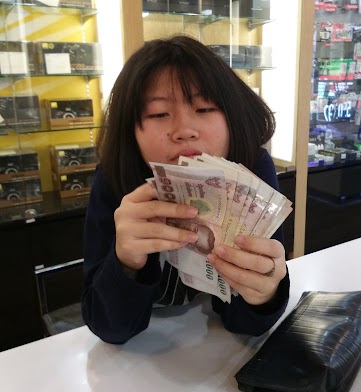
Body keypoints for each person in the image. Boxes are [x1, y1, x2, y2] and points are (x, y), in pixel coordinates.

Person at [82, 35, 290, 344]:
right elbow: (110, 329)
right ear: (130, 130)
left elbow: (248, 325)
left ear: (232, 116)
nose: (184, 130)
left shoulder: (251, 169)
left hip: (213, 349)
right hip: (149, 350)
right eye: (158, 113)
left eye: (204, 108)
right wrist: (125, 263)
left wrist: (265, 295)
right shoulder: (115, 178)